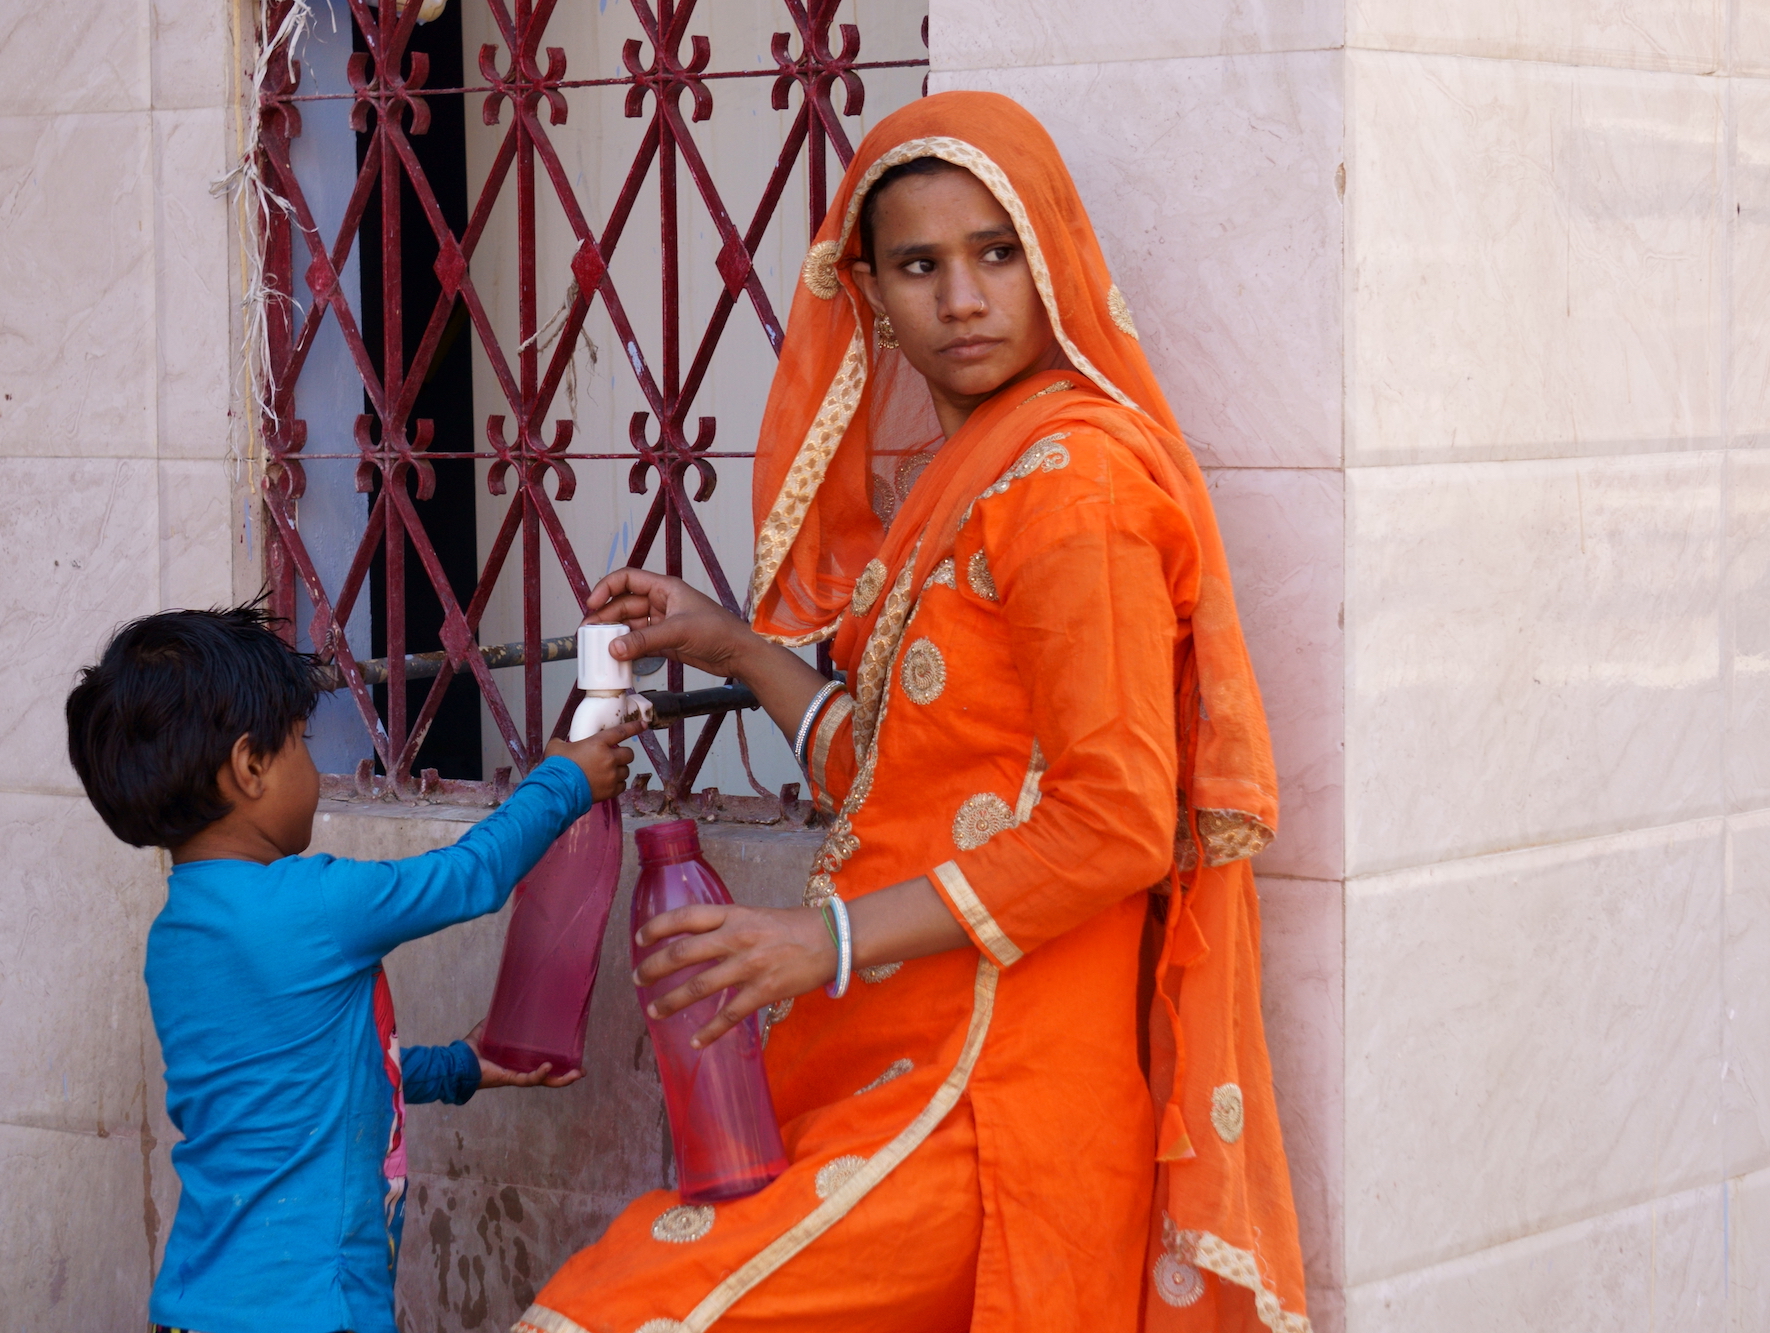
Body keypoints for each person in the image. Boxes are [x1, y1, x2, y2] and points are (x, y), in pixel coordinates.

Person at [515, 92, 1309, 1333]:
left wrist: (815, 940)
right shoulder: (966, 473)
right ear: (869, 296)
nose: (962, 299)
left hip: (990, 1094)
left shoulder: (1069, 482)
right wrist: (730, 639)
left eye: (997, 253)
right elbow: (886, 772)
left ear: (1052, 258)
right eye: (919, 265)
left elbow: (1115, 824)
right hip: (895, 1058)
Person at [63, 605, 641, 1333]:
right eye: (301, 744)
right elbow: (472, 876)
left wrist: (462, 1066)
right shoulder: (314, 904)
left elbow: (308, 1078)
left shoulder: (175, 936)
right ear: (250, 767)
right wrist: (566, 781)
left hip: (192, 1305)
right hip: (311, 1309)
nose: (313, 764)